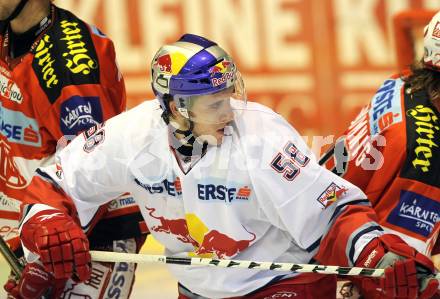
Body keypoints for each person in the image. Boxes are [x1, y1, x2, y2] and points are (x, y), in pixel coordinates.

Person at [19, 33, 438, 299]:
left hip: (282, 284)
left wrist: (378, 254)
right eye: (214, 102)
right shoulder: (131, 135)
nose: (229, 110)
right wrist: (47, 225)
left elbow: (331, 213)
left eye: (228, 94)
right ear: (175, 106)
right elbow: (56, 184)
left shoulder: (262, 136)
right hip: (197, 289)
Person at [0, 0, 147, 298]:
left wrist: (44, 259)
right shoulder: (10, 32)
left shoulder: (65, 62)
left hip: (90, 235)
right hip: (41, 227)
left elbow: (92, 165)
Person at [319, 10, 440, 299]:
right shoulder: (427, 163)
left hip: (323, 220)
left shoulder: (406, 80)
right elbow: (398, 273)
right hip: (331, 263)